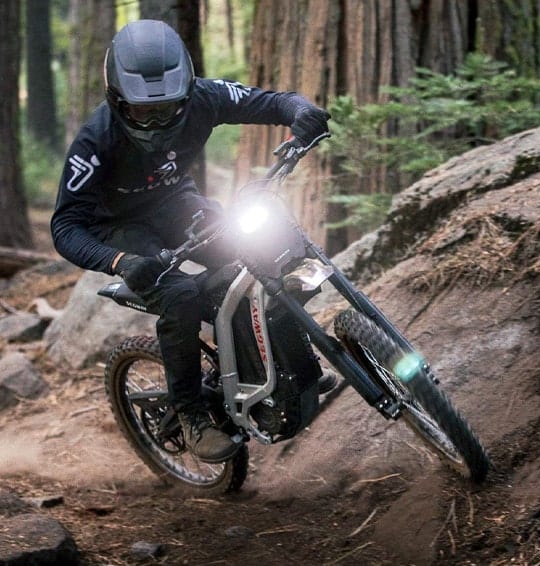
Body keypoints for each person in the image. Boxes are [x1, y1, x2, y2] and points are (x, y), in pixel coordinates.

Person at [51, 20, 331, 464]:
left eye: (168, 109)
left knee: (258, 254)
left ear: (186, 93)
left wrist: (302, 112)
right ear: (117, 101)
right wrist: (121, 261)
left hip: (176, 204)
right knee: (179, 295)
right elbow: (65, 226)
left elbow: (273, 102)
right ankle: (191, 415)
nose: (158, 122)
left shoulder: (205, 96)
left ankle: (291, 365)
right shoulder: (95, 141)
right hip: (120, 226)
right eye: (144, 112)